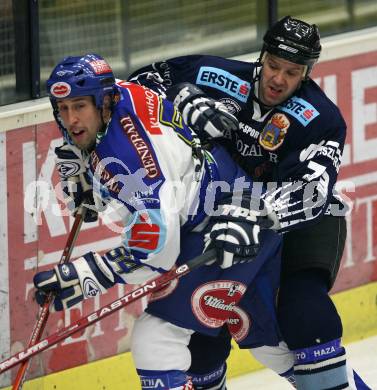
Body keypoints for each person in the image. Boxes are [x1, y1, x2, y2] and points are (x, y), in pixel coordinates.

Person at [128, 16, 371, 389]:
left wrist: (258, 213)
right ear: (262, 56)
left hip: (299, 227)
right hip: (221, 219)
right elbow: (139, 85)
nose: (278, 79)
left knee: (304, 314)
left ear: (306, 73)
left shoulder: (322, 119)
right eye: (274, 65)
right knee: (200, 345)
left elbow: (315, 192)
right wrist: (182, 98)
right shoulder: (213, 74)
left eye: (292, 72)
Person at [33, 53, 285, 390]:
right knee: (275, 348)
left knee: (157, 342)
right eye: (62, 109)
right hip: (219, 208)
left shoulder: (130, 157)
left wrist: (87, 275)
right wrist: (87, 177)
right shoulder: (116, 97)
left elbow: (157, 249)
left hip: (229, 224)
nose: (71, 119)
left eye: (79, 107)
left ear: (104, 103)